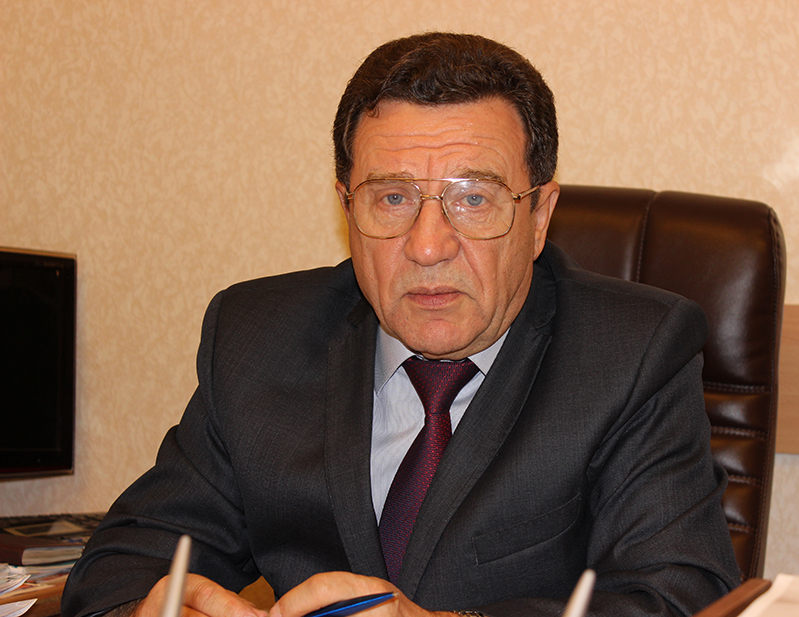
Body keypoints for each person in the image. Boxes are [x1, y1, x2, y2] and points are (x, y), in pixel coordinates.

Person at [62, 32, 739, 617]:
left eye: (473, 199)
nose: (427, 245)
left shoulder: (632, 353)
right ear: (346, 208)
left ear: (538, 217)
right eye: (391, 198)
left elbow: (679, 598)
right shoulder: (256, 337)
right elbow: (120, 566)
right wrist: (153, 606)